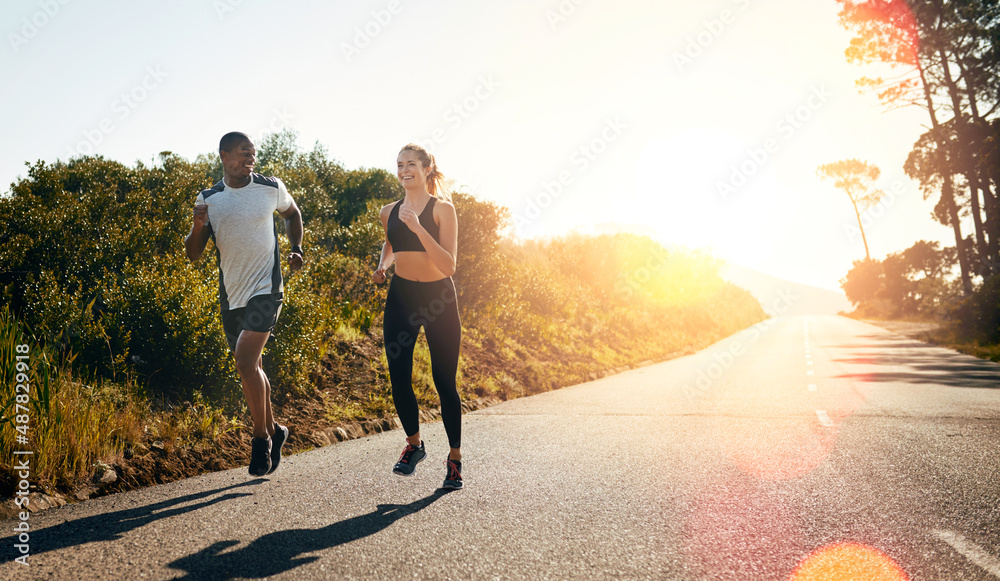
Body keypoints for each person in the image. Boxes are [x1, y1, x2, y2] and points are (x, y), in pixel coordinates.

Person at [184, 131, 304, 477]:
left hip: (267, 287)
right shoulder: (210, 198)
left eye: (253, 154)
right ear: (223, 155)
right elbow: (194, 254)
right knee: (252, 367)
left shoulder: (270, 187)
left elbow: (292, 214)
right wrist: (197, 225)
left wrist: (296, 249)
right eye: (242, 153)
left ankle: (260, 440)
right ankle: (277, 430)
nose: (250, 159)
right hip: (232, 294)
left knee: (245, 359)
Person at [372, 144, 464, 490]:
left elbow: (449, 265)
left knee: (444, 382)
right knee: (398, 375)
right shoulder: (388, 211)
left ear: (426, 169)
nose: (404, 169)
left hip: (438, 297)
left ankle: (454, 459)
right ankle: (414, 446)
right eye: (399, 165)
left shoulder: (443, 210)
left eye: (411, 164)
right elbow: (391, 243)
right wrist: (383, 266)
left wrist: (419, 227)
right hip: (402, 297)